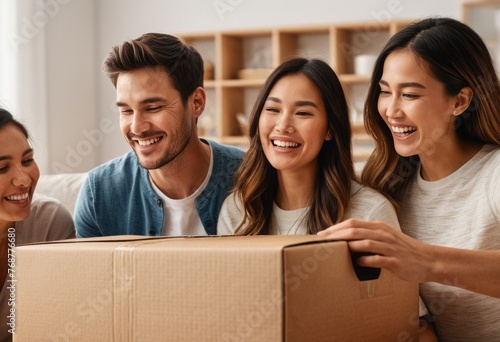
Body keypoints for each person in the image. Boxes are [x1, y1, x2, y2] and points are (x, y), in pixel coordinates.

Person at [318, 17, 500, 342]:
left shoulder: (494, 173)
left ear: (459, 101)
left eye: (410, 95)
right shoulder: (386, 182)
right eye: (385, 92)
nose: (391, 110)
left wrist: (425, 260)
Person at [74, 33, 244, 237]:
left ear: (196, 103)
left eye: (153, 107)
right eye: (126, 110)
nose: (137, 127)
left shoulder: (251, 177)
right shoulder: (99, 193)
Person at [217, 57, 401, 236]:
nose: (282, 126)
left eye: (303, 113)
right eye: (273, 109)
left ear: (330, 128)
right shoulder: (238, 212)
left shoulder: (370, 215)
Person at [0, 108, 75, 341]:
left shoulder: (49, 223)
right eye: (2, 168)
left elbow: (67, 322)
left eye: (27, 160)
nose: (24, 180)